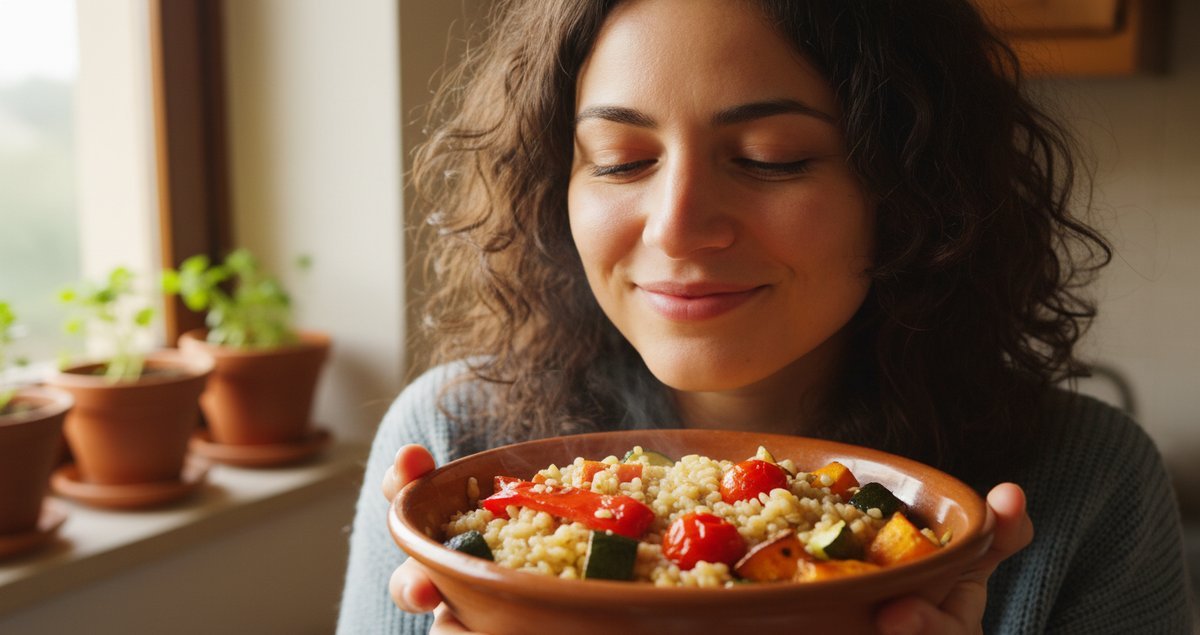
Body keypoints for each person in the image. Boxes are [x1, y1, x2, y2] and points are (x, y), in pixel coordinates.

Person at [338, 0, 1194, 633]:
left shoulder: (1090, 483)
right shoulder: (454, 448)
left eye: (769, 160)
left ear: (911, 190)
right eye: (621, 160)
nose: (675, 224)